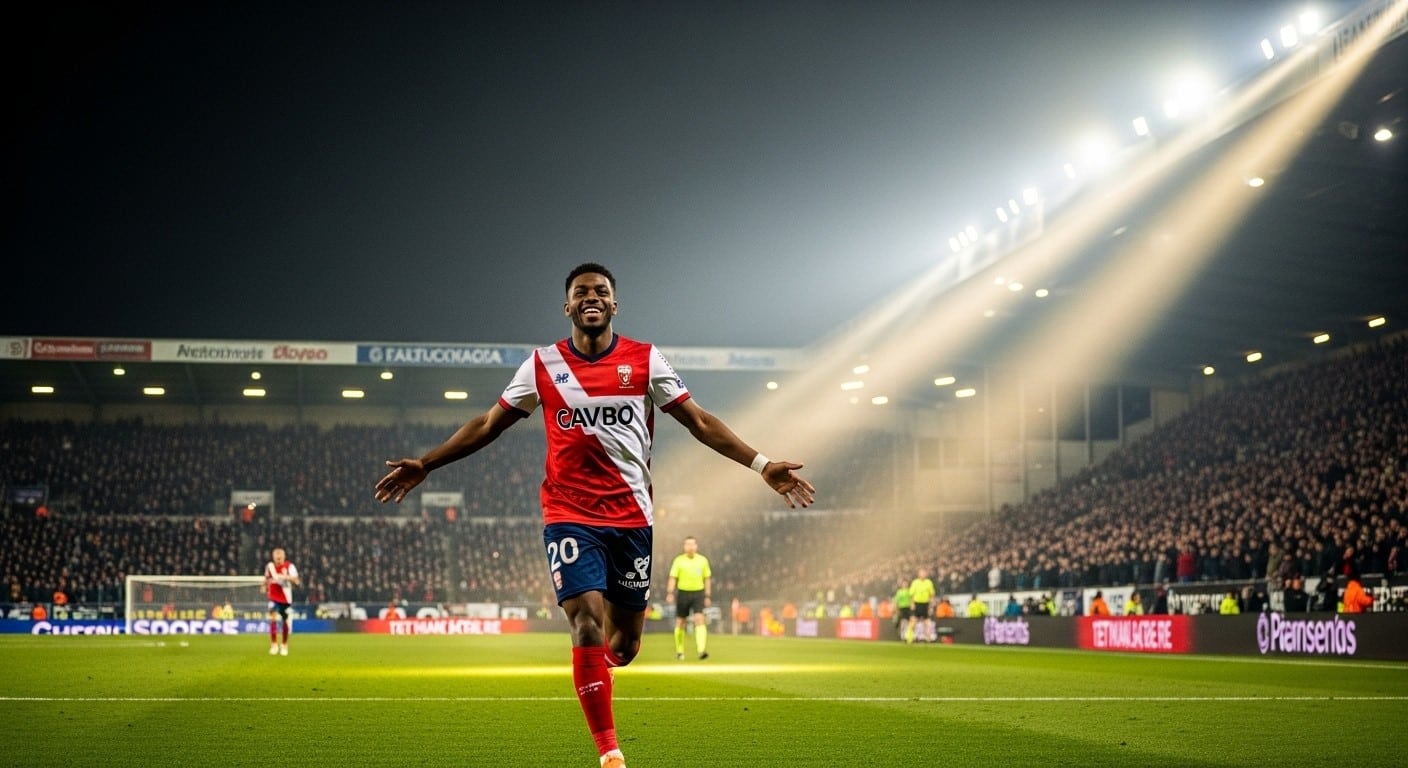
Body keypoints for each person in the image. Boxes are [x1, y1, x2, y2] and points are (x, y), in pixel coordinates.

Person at [374, 263, 814, 768]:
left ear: (613, 304)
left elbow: (699, 421)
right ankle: (610, 752)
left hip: (631, 518)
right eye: (581, 292)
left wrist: (760, 465)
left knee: (623, 646)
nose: (591, 297)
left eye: (601, 292)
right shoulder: (541, 365)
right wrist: (426, 463)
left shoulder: (645, 360)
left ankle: (602, 667)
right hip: (568, 514)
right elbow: (488, 424)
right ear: (567, 307)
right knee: (583, 621)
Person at [666, 535, 712, 660]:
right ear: (684, 546)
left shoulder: (703, 560)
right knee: (681, 621)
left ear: (696, 546)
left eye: (692, 544)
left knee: (699, 619)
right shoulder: (678, 560)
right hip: (683, 593)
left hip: (698, 593)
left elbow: (707, 578)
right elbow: (673, 578)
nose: (690, 547)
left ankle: (701, 650)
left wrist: (707, 595)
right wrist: (670, 592)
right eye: (688, 544)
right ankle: (680, 651)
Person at [264, 547, 300, 656]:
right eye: (276, 555)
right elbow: (266, 579)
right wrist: (265, 587)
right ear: (273, 556)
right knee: (273, 618)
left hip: (285, 598)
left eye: (280, 555)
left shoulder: (290, 566)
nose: (278, 557)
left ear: (284, 556)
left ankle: (284, 645)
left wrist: (285, 577)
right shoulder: (270, 566)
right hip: (273, 597)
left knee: (285, 621)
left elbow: (297, 581)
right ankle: (274, 644)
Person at [908, 568, 936, 644]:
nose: (922, 574)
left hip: (925, 604)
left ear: (926, 574)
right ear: (918, 574)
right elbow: (911, 594)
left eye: (924, 573)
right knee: (913, 622)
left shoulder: (929, 583)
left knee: (927, 623)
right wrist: (912, 604)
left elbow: (932, 594)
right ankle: (909, 638)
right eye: (921, 573)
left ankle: (928, 638)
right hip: (917, 604)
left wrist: (931, 605)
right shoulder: (915, 582)